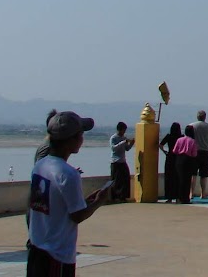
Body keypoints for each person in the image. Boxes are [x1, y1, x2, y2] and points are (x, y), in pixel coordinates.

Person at [27, 110, 110, 276]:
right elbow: (77, 216)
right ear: (71, 140)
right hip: (57, 256)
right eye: (80, 135)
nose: (82, 139)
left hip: (36, 250)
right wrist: (99, 202)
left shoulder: (41, 165)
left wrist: (84, 200)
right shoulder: (68, 174)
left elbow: (54, 205)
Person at [191, 110, 208, 199]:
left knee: (193, 174)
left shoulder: (191, 126)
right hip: (206, 152)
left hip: (194, 152)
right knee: (204, 174)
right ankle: (203, 193)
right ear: (205, 117)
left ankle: (191, 193)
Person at [171, 125, 198, 204]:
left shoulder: (179, 140)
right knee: (187, 180)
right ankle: (185, 198)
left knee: (179, 178)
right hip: (188, 160)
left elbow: (174, 151)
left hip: (179, 159)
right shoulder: (193, 141)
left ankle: (178, 197)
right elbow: (194, 154)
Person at [109, 122, 134, 202]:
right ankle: (114, 197)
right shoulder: (113, 138)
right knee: (116, 180)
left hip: (122, 161)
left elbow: (127, 148)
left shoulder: (124, 137)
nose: (124, 132)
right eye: (123, 130)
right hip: (115, 161)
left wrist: (131, 144)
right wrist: (123, 142)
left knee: (126, 178)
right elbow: (113, 148)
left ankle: (123, 196)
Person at [158, 122, 183, 203]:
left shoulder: (169, 136)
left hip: (170, 157)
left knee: (169, 178)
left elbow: (160, 145)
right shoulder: (181, 137)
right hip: (178, 158)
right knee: (178, 178)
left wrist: (165, 152)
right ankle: (178, 197)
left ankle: (169, 197)